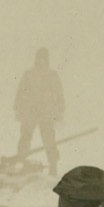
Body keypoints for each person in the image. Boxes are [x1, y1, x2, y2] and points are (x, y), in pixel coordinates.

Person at [13, 47, 65, 176]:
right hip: (30, 113)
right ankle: (22, 162)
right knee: (25, 138)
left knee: (49, 140)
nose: (41, 62)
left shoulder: (52, 75)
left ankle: (53, 166)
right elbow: (20, 91)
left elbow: (59, 94)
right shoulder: (29, 74)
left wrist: (60, 108)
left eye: (43, 59)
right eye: (39, 59)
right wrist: (18, 107)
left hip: (46, 114)